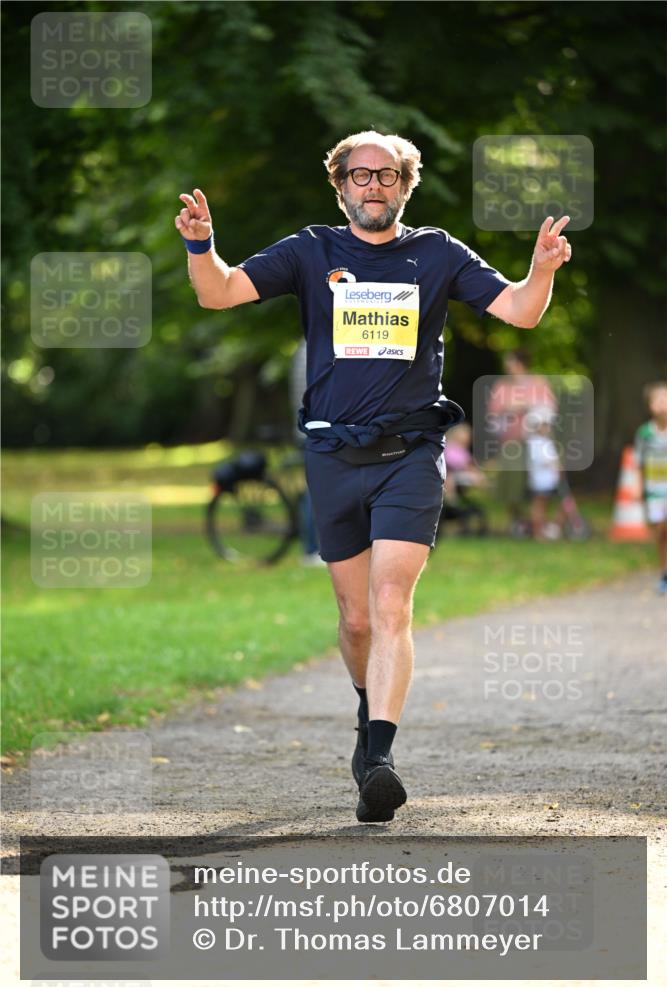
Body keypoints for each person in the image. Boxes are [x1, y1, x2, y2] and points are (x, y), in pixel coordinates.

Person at [174, 129, 572, 823]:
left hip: (410, 454)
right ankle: (368, 715)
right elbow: (219, 294)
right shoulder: (310, 251)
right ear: (340, 186)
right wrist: (201, 246)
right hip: (332, 456)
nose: (372, 187)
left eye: (386, 176)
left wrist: (539, 269)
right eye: (359, 176)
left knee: (391, 604)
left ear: (404, 185)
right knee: (355, 619)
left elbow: (518, 309)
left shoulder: (437, 252)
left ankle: (380, 758)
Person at [486, 349, 556, 532]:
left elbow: (548, 410)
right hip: (511, 442)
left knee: (539, 484)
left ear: (521, 363)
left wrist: (525, 406)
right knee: (512, 483)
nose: (507, 366)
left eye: (510, 362)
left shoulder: (538, 383)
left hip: (535, 442)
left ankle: (537, 523)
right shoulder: (501, 386)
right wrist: (509, 411)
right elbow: (493, 417)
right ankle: (516, 521)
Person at [289, 339, 325, 567]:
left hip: (308, 428)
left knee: (314, 489)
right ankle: (312, 548)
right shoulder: (314, 349)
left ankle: (313, 548)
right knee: (315, 491)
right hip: (315, 429)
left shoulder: (303, 348)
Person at [634, 381, 667, 594]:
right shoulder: (644, 433)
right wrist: (639, 488)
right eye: (659, 400)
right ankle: (664, 572)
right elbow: (639, 463)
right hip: (654, 489)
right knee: (660, 533)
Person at [525, 407, 564, 540]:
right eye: (545, 425)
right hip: (540, 480)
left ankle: (547, 530)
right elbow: (542, 460)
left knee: (547, 505)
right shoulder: (535, 442)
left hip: (549, 479)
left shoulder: (545, 442)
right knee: (539, 506)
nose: (548, 428)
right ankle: (538, 532)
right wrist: (554, 463)